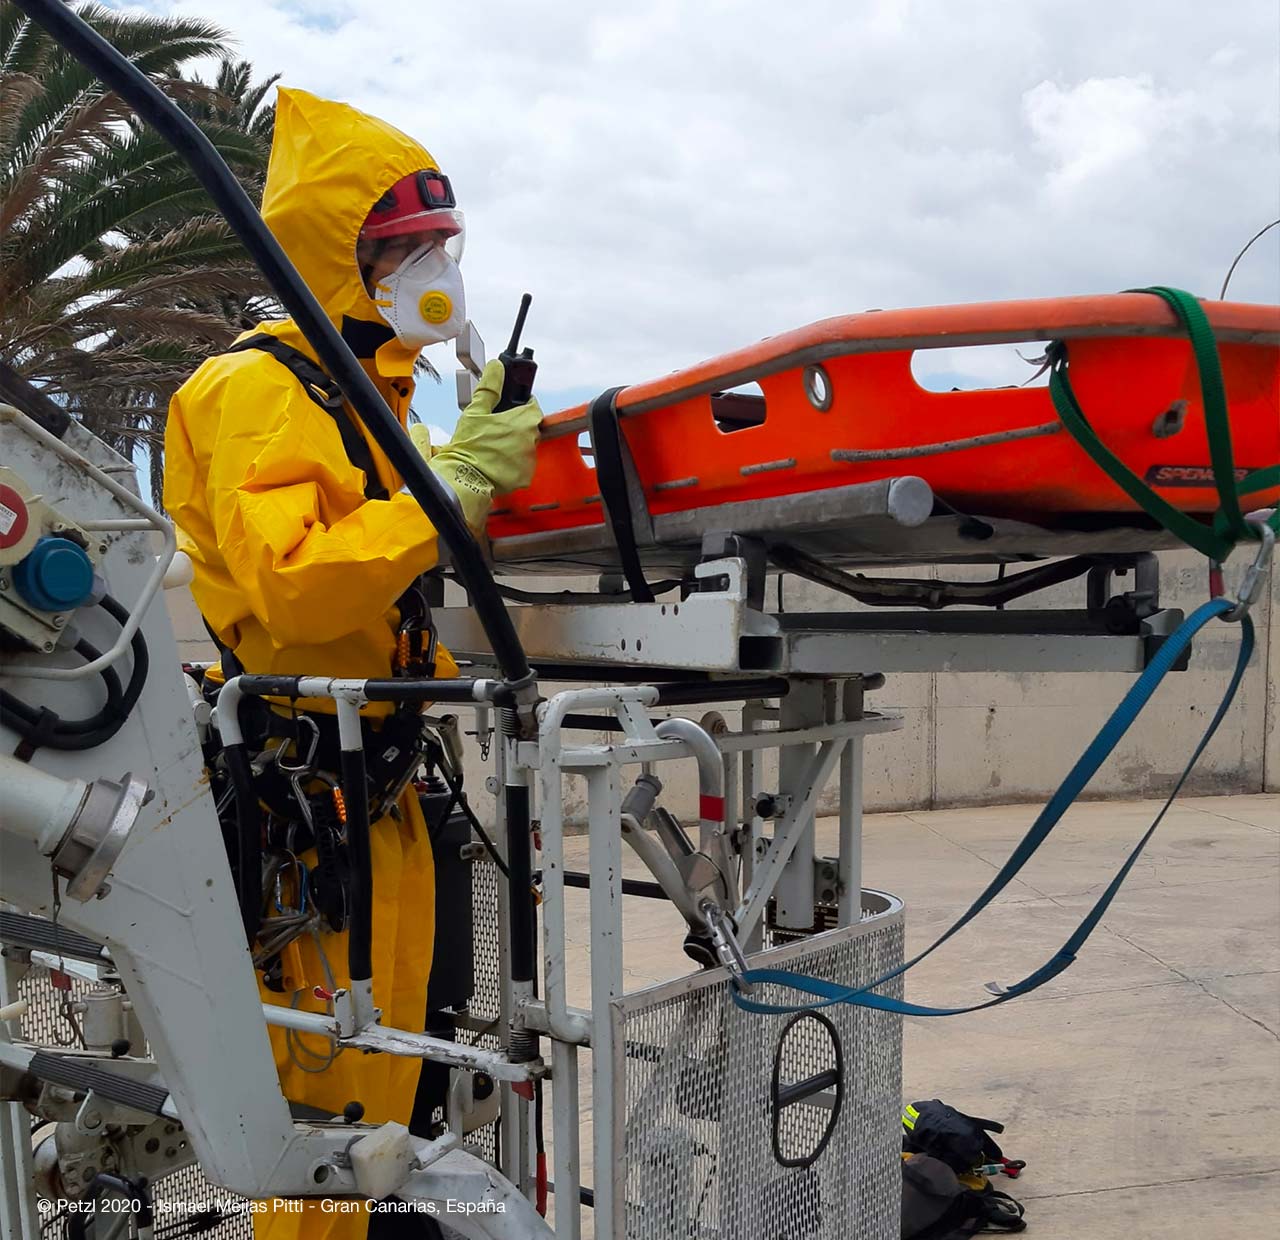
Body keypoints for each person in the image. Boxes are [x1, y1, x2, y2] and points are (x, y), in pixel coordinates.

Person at [163, 88, 541, 1239]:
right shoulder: (255, 390)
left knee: (396, 1069)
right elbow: (293, 579)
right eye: (402, 248)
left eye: (439, 244)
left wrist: (457, 460)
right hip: (306, 804)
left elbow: (394, 542)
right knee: (329, 1098)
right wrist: (455, 486)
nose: (432, 267)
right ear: (338, 257)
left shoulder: (362, 401)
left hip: (375, 786)